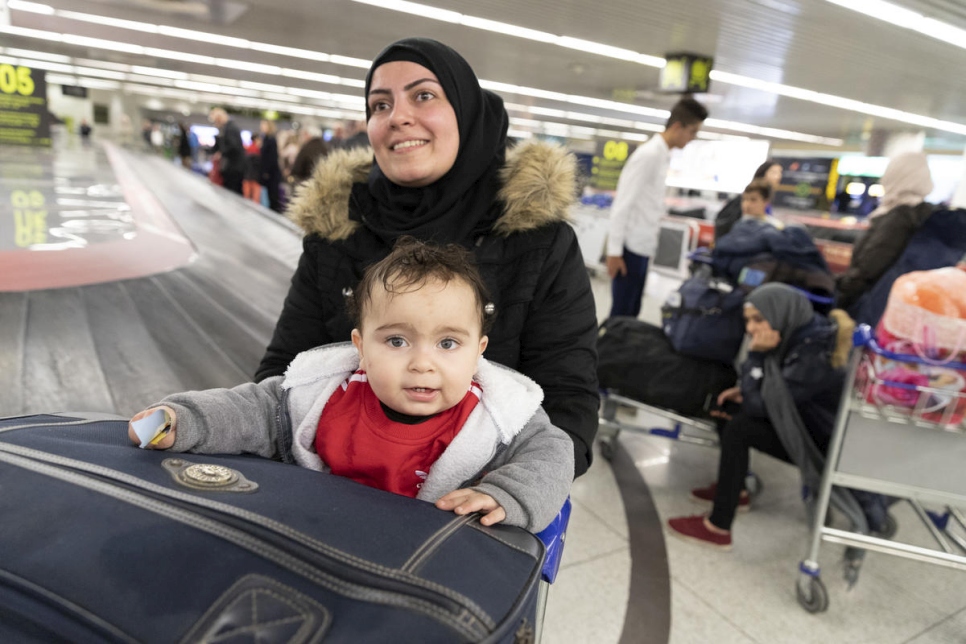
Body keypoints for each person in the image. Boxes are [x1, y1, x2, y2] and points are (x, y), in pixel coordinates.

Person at [256, 37, 600, 477]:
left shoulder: (536, 242)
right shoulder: (339, 231)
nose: (397, 117)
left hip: (474, 506)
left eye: (423, 96)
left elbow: (568, 402)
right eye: (379, 105)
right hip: (337, 487)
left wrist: (505, 494)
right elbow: (283, 373)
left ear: (467, 113)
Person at [127, 239, 573, 532]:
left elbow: (553, 451)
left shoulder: (498, 419)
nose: (422, 363)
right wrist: (182, 421)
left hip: (428, 562)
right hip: (321, 544)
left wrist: (507, 494)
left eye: (448, 343)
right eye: (396, 340)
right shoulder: (321, 394)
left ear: (479, 351)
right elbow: (254, 409)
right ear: (360, 346)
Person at [666, 284, 854, 549]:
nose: (751, 329)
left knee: (739, 427)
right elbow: (773, 393)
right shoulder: (801, 332)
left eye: (758, 319)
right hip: (799, 422)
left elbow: (763, 406)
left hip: (816, 443)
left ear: (781, 313)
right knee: (726, 406)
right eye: (748, 320)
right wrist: (747, 388)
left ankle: (718, 527)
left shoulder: (814, 352)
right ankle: (737, 491)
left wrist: (756, 355)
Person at [605, 96, 709, 318]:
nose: (693, 138)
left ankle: (622, 351)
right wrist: (614, 252)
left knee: (631, 312)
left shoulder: (663, 155)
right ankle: (609, 352)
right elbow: (623, 204)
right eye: (692, 132)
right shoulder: (649, 155)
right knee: (621, 314)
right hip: (629, 250)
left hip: (642, 247)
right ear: (677, 126)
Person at [836, 152, 934, 312]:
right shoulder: (925, 215)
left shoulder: (899, 218)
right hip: (900, 305)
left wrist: (838, 294)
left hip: (871, 306)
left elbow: (869, 268)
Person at [715, 160, 783, 240]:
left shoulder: (772, 222)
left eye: (780, 172)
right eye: (774, 172)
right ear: (763, 174)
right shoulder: (743, 201)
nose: (778, 176)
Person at [208, 107, 246, 195]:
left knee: (233, 191)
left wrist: (221, 153)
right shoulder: (228, 128)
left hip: (234, 168)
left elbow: (233, 146)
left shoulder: (230, 128)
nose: (215, 124)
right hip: (235, 167)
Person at [259, 120, 283, 212]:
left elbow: (272, 158)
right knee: (269, 197)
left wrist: (266, 172)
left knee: (273, 197)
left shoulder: (271, 140)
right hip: (268, 173)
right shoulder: (265, 139)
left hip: (272, 174)